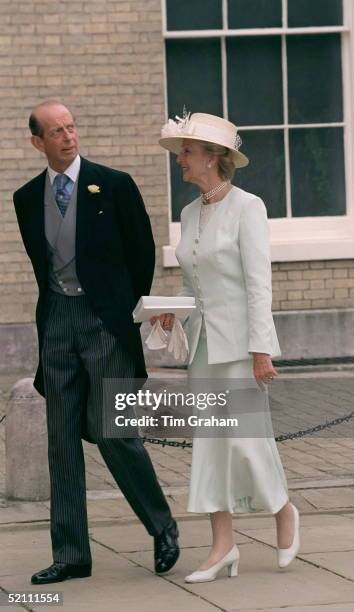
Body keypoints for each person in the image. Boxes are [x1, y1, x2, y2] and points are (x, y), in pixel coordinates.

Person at [13, 100, 179, 585]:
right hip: (58, 321)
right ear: (37, 143)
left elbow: (141, 252)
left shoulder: (115, 184)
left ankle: (161, 525)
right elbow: (42, 265)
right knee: (61, 441)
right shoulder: (26, 198)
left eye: (71, 127)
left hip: (105, 320)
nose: (68, 136)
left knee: (113, 429)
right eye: (56, 131)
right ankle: (71, 554)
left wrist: (122, 312)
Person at [156, 112, 300, 583]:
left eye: (189, 152)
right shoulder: (190, 213)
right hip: (203, 348)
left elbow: (259, 286)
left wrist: (262, 350)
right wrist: (170, 309)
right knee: (211, 446)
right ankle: (223, 547)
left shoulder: (248, 207)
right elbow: (194, 283)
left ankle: (283, 511)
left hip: (240, 348)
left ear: (215, 158)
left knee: (246, 442)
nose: (181, 159)